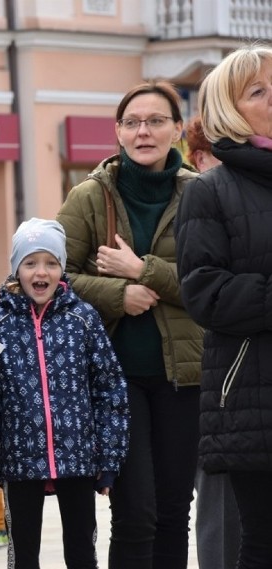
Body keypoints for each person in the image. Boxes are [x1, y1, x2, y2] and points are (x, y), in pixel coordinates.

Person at [56, 80, 203, 569]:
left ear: (178, 130)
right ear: (118, 132)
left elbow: (214, 283)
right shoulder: (89, 197)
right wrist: (120, 294)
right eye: (133, 123)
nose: (144, 132)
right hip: (114, 380)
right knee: (136, 512)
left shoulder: (200, 196)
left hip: (184, 376)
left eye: (157, 121)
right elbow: (47, 281)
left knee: (173, 512)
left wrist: (143, 271)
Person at [0, 218, 129, 569]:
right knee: (23, 554)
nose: (41, 272)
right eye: (30, 263)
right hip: (20, 460)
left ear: (62, 269)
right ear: (16, 269)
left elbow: (110, 389)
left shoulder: (83, 319)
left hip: (79, 458)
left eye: (51, 263)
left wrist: (109, 460)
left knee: (82, 552)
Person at [175, 44, 272, 569]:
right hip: (253, 399)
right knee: (262, 545)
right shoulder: (210, 192)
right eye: (259, 91)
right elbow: (205, 293)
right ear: (229, 111)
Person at [183, 115, 238, 569]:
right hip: (211, 382)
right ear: (201, 158)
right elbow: (197, 288)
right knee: (219, 511)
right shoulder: (205, 196)